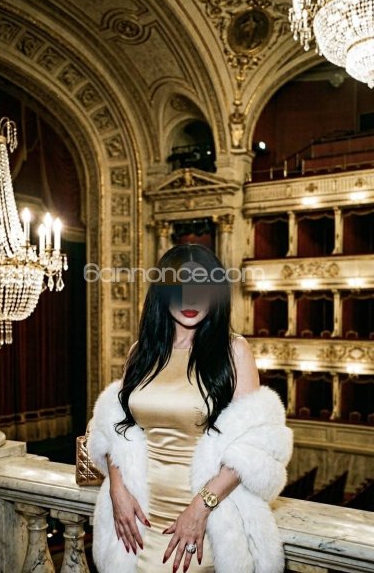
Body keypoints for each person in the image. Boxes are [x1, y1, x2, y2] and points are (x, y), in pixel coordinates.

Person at [88, 243, 293, 573]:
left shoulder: (234, 352)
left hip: (205, 520)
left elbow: (253, 448)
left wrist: (200, 508)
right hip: (137, 520)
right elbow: (116, 428)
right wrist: (117, 489)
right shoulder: (140, 352)